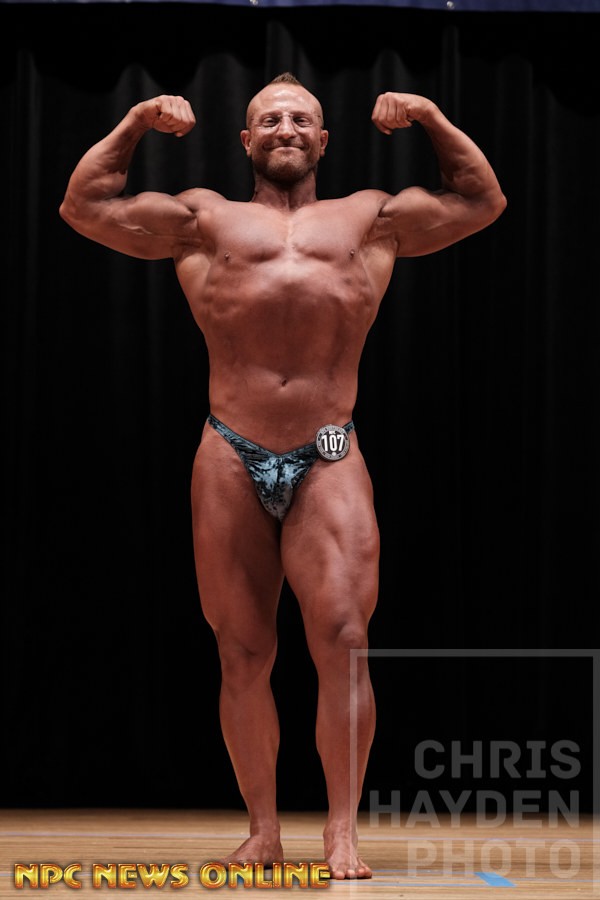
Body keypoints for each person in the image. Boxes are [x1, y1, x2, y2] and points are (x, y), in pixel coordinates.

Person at [59, 72, 506, 879]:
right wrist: (135, 120)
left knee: (345, 642)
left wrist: (431, 114)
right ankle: (263, 829)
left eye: (301, 118)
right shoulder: (203, 219)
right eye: (270, 119)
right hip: (229, 449)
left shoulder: (370, 217)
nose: (287, 128)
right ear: (247, 140)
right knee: (242, 651)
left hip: (329, 451)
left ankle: (341, 830)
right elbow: (83, 206)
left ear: (324, 140)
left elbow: (482, 199)